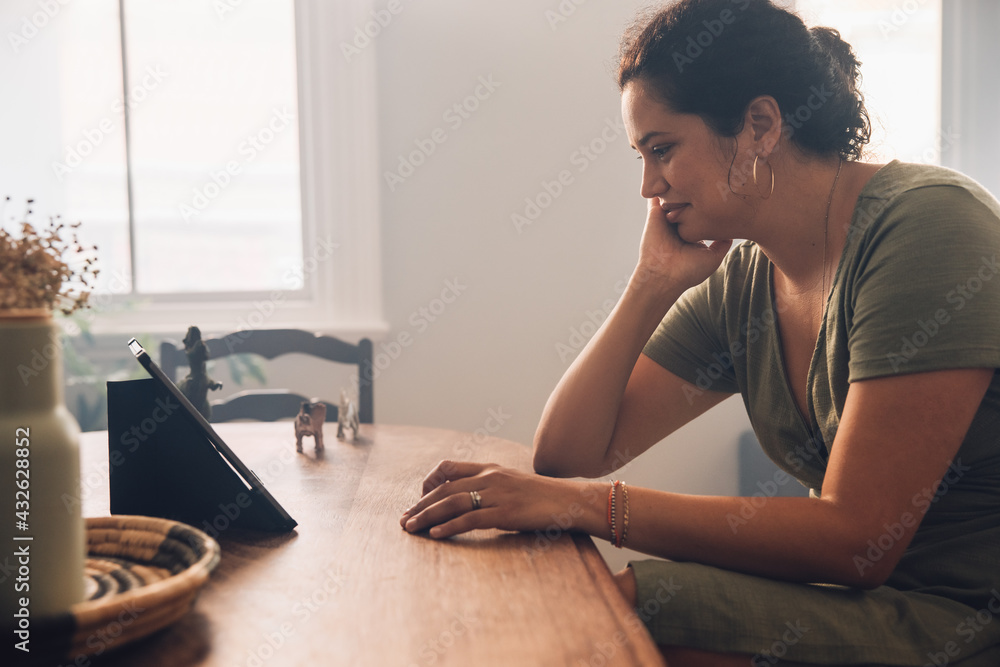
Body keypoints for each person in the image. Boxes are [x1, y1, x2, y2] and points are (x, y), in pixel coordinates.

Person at [399, 0, 1000, 664]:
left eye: (662, 150)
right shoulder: (747, 274)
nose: (650, 186)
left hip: (961, 612)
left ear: (761, 125)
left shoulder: (929, 229)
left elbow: (859, 538)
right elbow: (569, 454)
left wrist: (587, 506)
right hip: (855, 595)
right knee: (600, 606)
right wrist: (651, 282)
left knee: (621, 614)